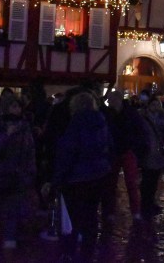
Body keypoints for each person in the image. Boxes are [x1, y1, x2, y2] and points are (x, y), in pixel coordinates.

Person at [53, 91, 112, 262]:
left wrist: (58, 178)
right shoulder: (101, 121)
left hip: (77, 177)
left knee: (73, 218)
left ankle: (69, 252)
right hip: (98, 175)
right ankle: (88, 251)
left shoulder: (76, 122)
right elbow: (109, 146)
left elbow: (68, 151)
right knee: (91, 215)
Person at [0, 91, 37, 253]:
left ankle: (9, 239)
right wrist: (5, 137)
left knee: (13, 210)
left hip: (17, 175)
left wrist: (30, 171)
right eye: (13, 106)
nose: (17, 110)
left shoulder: (24, 126)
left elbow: (30, 151)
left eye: (18, 106)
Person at [102, 90, 146, 223]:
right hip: (114, 151)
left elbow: (139, 131)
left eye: (111, 100)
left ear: (118, 99)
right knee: (111, 184)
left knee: (131, 182)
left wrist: (134, 147)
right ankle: (110, 212)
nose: (109, 102)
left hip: (127, 150)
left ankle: (135, 212)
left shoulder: (130, 113)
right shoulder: (109, 113)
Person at [140, 93, 164, 218]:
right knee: (147, 179)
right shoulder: (144, 118)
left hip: (158, 152)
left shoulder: (162, 118)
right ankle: (145, 204)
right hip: (148, 151)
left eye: (157, 104)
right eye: (153, 104)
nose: (155, 106)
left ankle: (151, 202)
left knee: (154, 179)